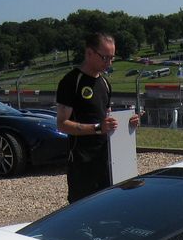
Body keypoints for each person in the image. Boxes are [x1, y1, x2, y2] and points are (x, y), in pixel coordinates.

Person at [56, 32, 140, 202]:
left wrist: (128, 124)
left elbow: (108, 120)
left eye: (112, 58)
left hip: (107, 161)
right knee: (83, 209)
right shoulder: (71, 81)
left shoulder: (105, 83)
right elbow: (62, 124)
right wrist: (97, 128)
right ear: (89, 53)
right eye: (105, 57)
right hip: (82, 163)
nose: (109, 63)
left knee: (106, 206)